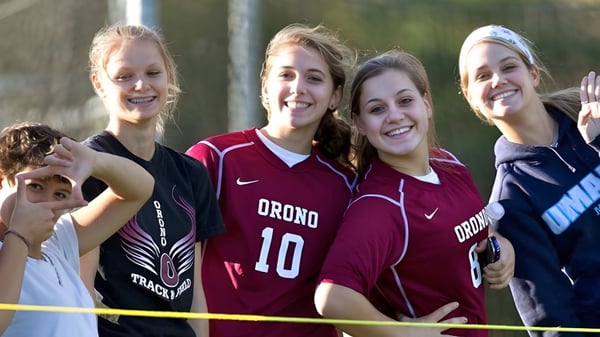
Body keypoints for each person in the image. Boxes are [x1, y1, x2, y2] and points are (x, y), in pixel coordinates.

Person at [314, 50, 515, 337]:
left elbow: (455, 236)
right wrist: (403, 333)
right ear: (359, 123)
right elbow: (332, 297)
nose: (395, 116)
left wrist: (500, 247)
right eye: (377, 109)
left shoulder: (450, 164)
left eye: (405, 101)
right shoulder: (380, 206)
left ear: (426, 104)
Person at [184, 23, 357, 337]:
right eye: (286, 74)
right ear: (264, 86)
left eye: (314, 78)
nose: (298, 87)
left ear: (335, 96)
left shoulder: (346, 186)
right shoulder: (215, 158)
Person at [79, 24, 225, 337]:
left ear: (169, 76)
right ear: (99, 83)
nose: (141, 85)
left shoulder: (191, 173)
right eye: (124, 76)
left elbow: (195, 294)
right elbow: (80, 290)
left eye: (153, 72)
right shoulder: (87, 166)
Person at [458, 24, 600, 336]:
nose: (498, 80)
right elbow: (552, 321)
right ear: (470, 98)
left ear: (533, 74)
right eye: (482, 75)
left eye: (509, 66)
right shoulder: (510, 200)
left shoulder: (593, 111)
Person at [0, 122, 154, 337]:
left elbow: (140, 189)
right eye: (35, 186)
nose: (48, 204)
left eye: (60, 194)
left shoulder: (58, 242)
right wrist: (19, 237)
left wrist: (95, 161)